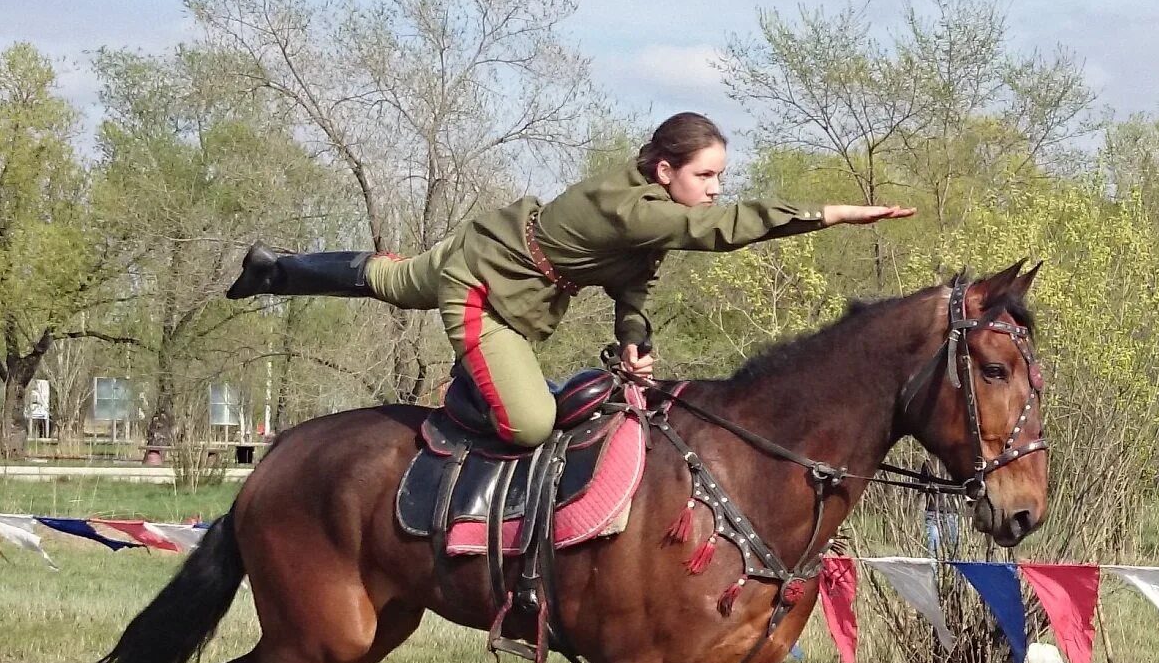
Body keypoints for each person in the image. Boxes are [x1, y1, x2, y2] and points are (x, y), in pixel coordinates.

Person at [227, 112, 915, 447]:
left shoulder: (653, 213)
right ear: (664, 171)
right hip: (485, 287)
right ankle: (464, 389)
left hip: (494, 251)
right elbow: (723, 230)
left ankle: (275, 269)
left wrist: (632, 339)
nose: (713, 190)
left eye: (720, 178)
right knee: (529, 424)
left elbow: (634, 287)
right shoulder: (634, 209)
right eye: (705, 176)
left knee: (395, 278)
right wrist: (829, 214)